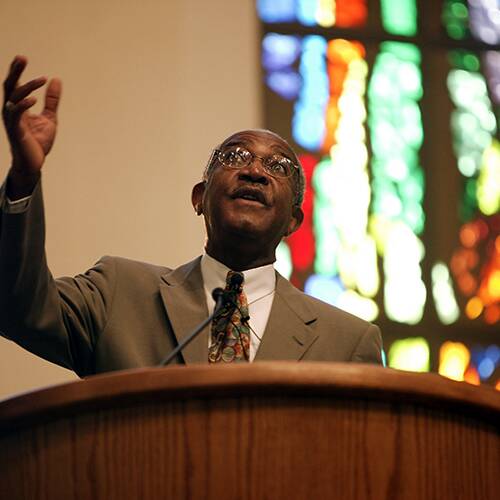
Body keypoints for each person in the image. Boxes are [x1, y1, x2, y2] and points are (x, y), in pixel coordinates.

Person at [0, 56, 382, 376]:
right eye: (235, 156)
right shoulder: (118, 294)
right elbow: (17, 308)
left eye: (277, 166)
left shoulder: (346, 343)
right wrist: (24, 178)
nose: (254, 171)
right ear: (199, 198)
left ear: (294, 222)